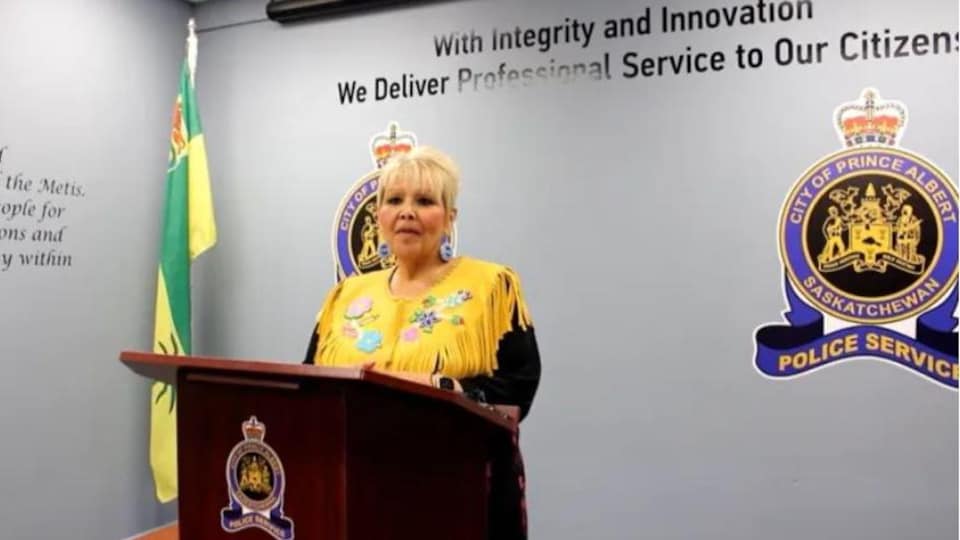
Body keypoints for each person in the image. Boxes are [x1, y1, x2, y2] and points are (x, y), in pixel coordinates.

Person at [303, 145, 541, 539]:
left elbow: (519, 389)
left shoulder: (492, 286)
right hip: (355, 489)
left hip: (453, 491)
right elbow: (311, 387)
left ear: (449, 218)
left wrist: (441, 387)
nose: (407, 211)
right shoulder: (344, 296)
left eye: (425, 200)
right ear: (377, 217)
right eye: (394, 200)